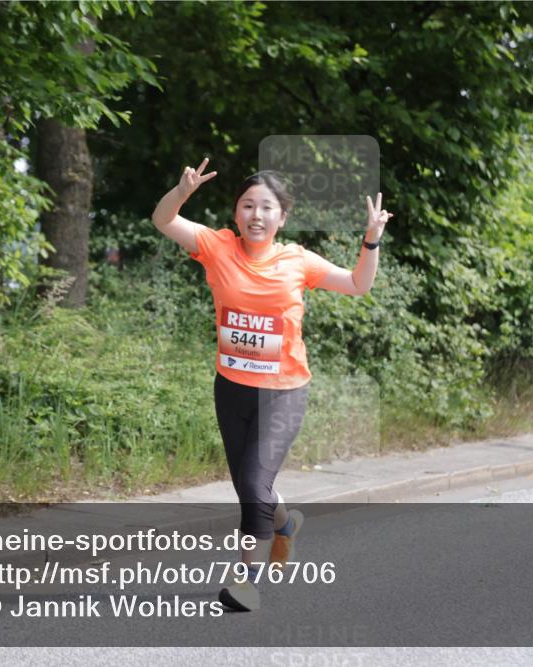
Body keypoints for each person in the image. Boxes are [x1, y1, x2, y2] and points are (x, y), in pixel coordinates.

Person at [151, 158, 393, 610]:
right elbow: (163, 220)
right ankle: (284, 525)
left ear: (282, 217)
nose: (255, 215)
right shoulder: (216, 246)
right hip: (231, 387)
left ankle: (245, 582)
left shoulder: (298, 261)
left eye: (266, 208)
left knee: (255, 485)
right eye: (247, 206)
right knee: (250, 485)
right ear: (236, 213)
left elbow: (360, 284)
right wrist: (183, 190)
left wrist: (372, 239)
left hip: (284, 392)